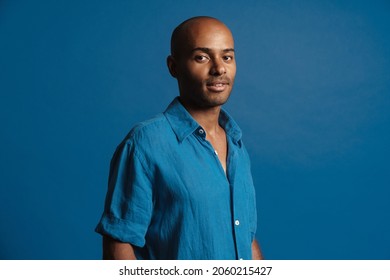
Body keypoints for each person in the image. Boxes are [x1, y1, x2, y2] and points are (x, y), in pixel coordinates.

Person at [95, 16, 263, 260]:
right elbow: (119, 244)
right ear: (174, 67)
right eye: (202, 57)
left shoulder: (236, 144)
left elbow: (245, 236)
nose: (219, 68)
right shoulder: (145, 143)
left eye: (227, 56)